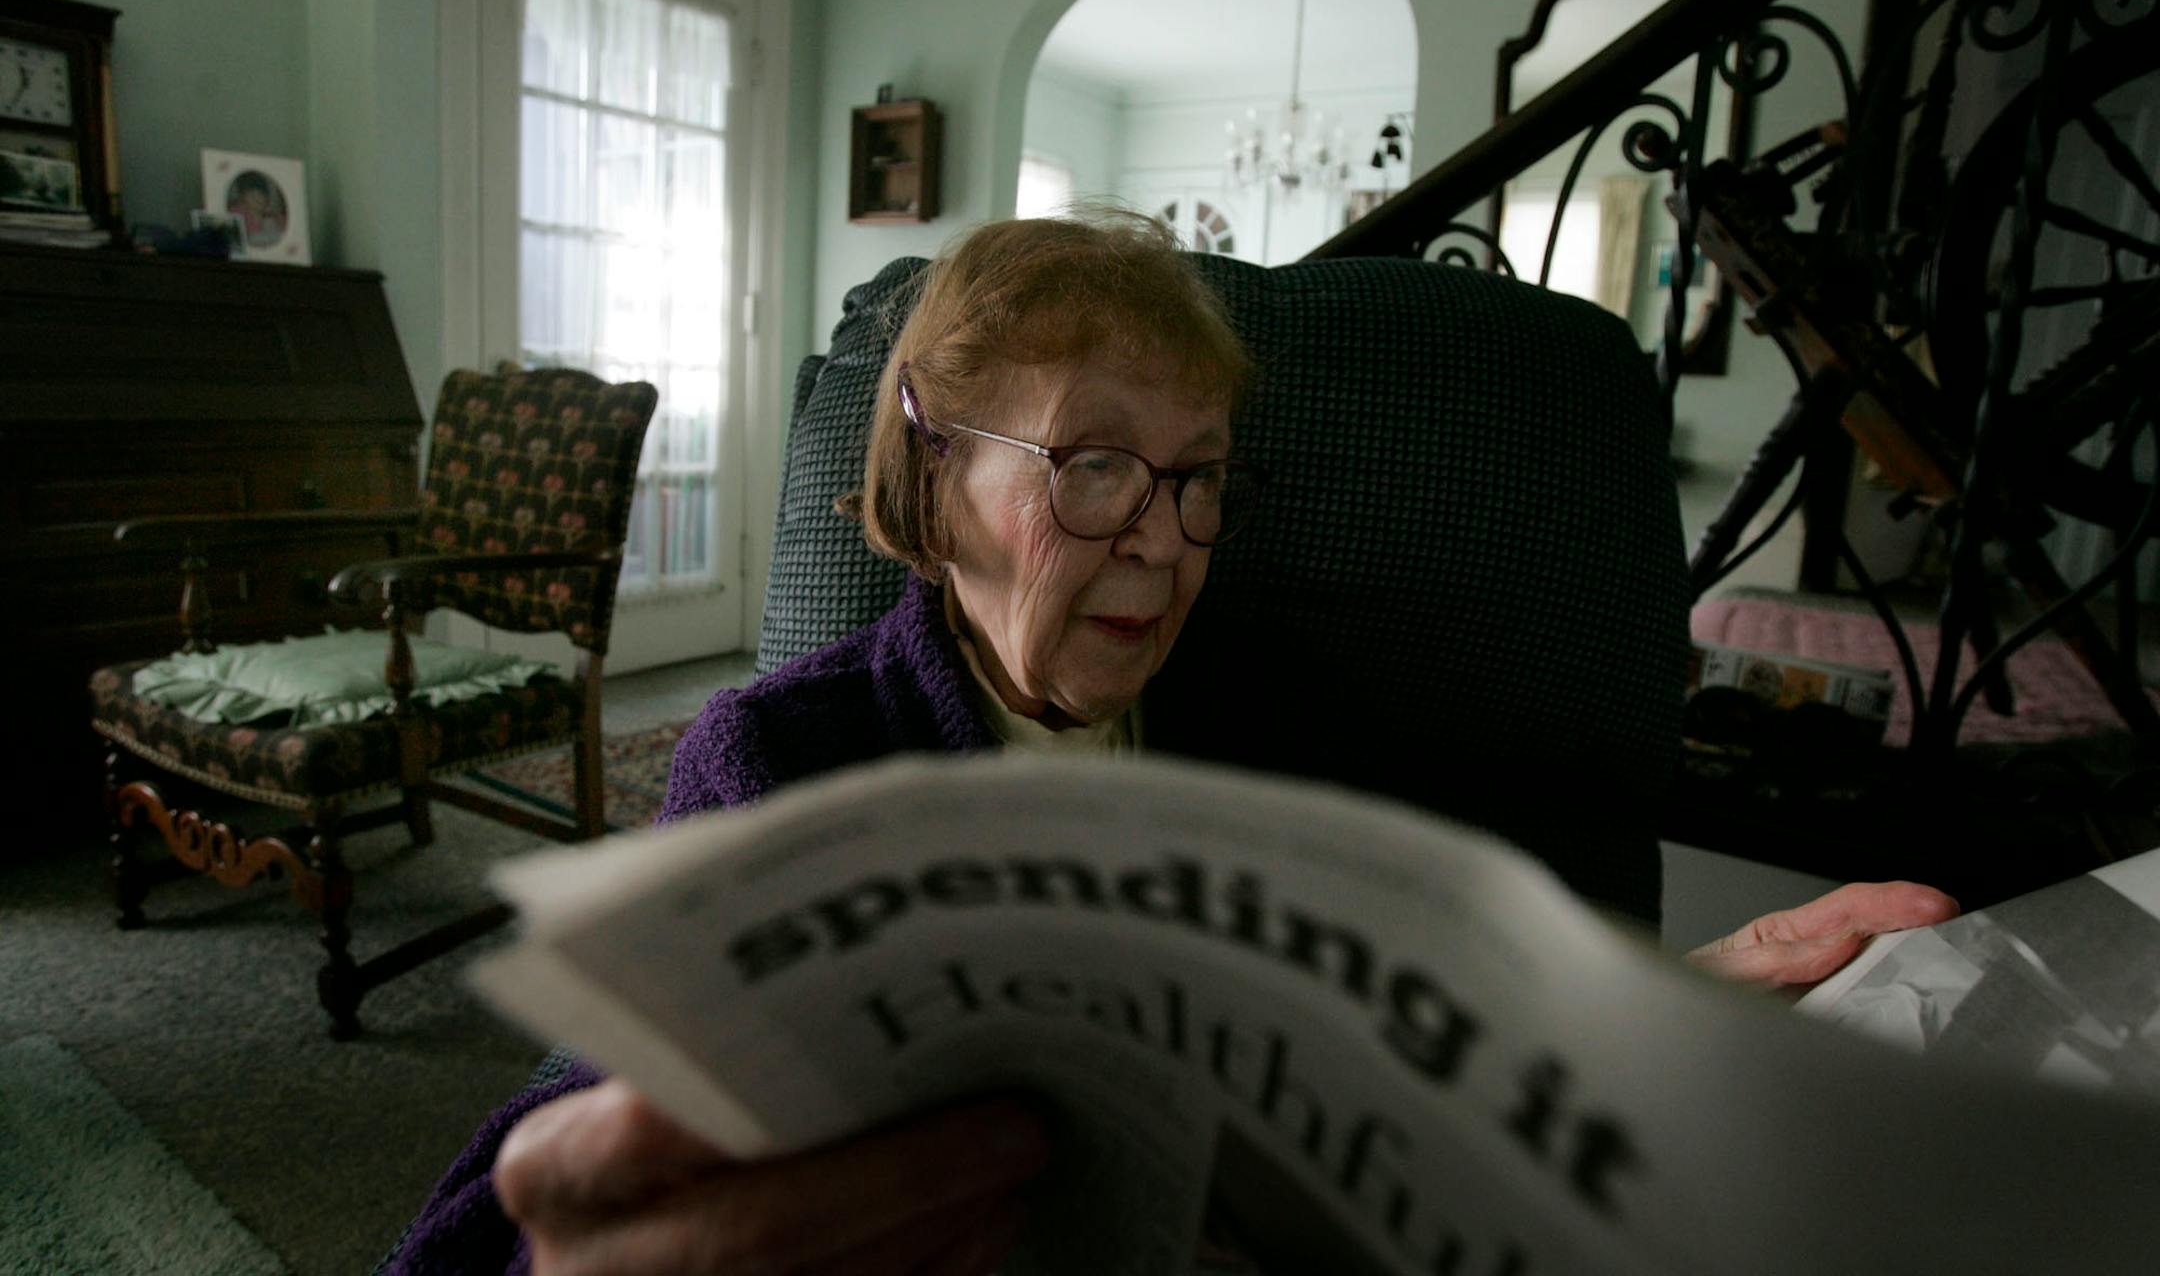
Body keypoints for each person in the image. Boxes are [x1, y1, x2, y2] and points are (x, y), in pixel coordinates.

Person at [389, 213, 1956, 1276]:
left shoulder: (1258, 734)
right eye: (1090, 467)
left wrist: (1673, 1006)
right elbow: (566, 1125)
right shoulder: (780, 754)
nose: (1162, 540)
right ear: (936, 489)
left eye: (1196, 475)